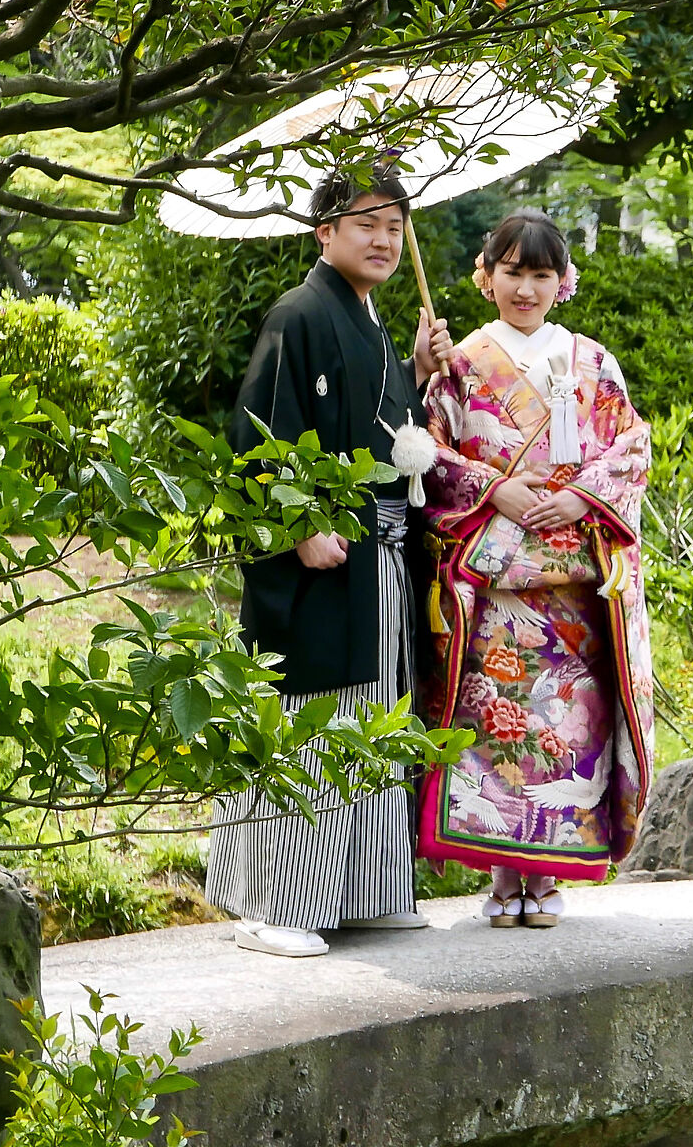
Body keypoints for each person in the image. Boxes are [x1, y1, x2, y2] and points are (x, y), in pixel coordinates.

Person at [207, 168, 442, 957]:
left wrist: (413, 368)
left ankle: (365, 890)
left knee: (375, 714)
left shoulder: (371, 324)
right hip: (325, 552)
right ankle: (278, 904)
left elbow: (379, 428)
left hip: (380, 553)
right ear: (325, 233)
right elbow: (258, 438)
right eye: (365, 223)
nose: (383, 238)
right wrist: (298, 523)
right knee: (316, 716)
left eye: (394, 224)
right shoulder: (300, 313)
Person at [414, 210, 654, 926]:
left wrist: (579, 494)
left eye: (540, 274)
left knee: (568, 732)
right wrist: (494, 489)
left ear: (563, 282)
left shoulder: (592, 362)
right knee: (498, 729)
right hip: (497, 587)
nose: (526, 288)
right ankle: (499, 878)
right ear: (485, 277)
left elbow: (631, 449)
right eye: (512, 271)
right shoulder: (459, 366)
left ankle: (548, 881)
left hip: (576, 588)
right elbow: (430, 455)